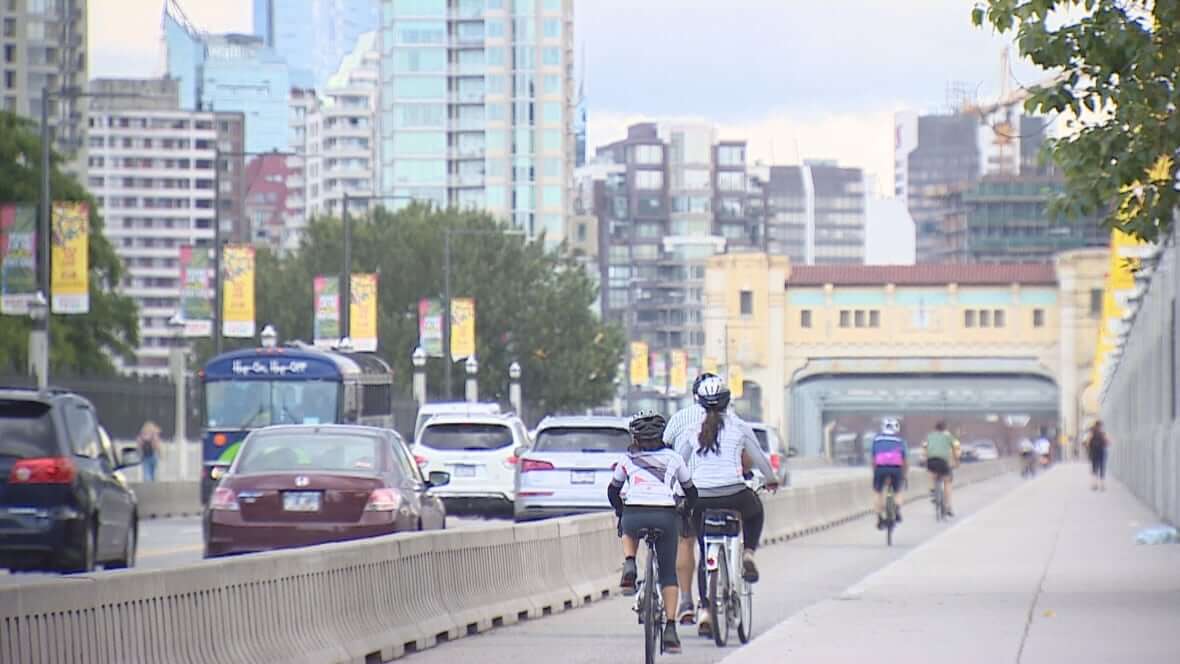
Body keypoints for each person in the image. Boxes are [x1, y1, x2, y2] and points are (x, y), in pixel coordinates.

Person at [675, 375, 777, 638]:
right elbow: (760, 461)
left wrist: (678, 492)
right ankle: (749, 554)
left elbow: (679, 465)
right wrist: (772, 480)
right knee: (755, 512)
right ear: (727, 401)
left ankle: (706, 612)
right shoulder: (739, 426)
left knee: (705, 546)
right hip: (734, 493)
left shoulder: (692, 429)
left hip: (700, 497)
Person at [608, 410, 698, 654]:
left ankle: (629, 562)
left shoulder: (627, 459)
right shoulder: (674, 457)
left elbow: (613, 491)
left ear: (634, 436)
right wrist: (685, 510)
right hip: (665, 516)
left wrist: (620, 511)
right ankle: (670, 629)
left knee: (627, 521)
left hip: (634, 515)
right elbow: (691, 491)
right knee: (668, 573)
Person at [870, 417, 908, 529]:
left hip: (880, 468)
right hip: (896, 468)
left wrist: (875, 472)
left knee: (878, 492)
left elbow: (873, 459)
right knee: (898, 491)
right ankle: (896, 508)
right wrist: (904, 474)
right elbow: (904, 460)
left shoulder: (876, 439)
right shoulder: (900, 440)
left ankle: (879, 517)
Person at [923, 421, 960, 517]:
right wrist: (957, 461)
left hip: (931, 460)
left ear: (935, 428)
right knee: (947, 481)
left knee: (931, 474)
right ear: (945, 429)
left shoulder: (929, 436)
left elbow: (925, 448)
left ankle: (933, 491)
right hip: (943, 461)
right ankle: (947, 506)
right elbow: (956, 448)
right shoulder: (948, 436)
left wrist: (925, 458)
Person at [1086, 420, 1110, 491]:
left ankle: (1094, 485)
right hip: (1101, 453)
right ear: (1100, 426)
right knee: (1102, 469)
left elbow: (1087, 443)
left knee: (1094, 469)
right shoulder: (1102, 433)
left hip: (1094, 453)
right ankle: (1102, 485)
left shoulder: (1091, 433)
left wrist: (1089, 451)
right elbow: (1108, 442)